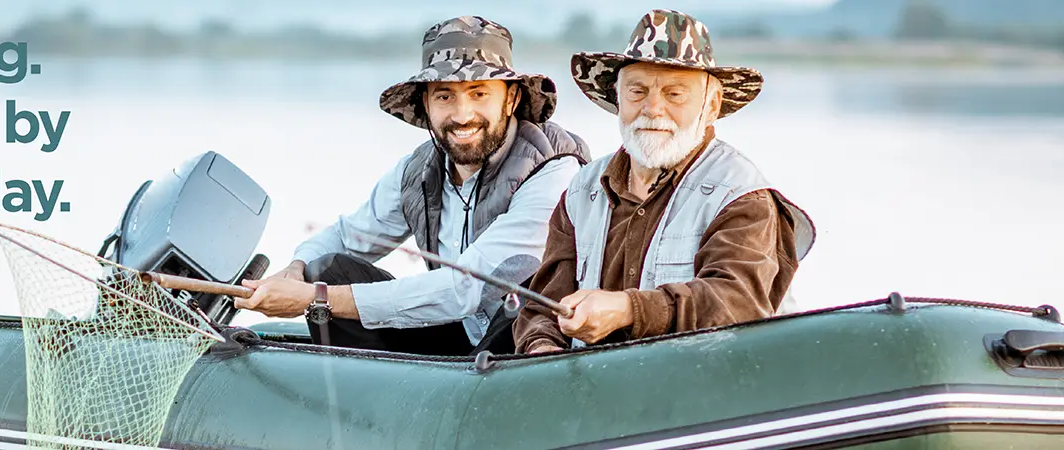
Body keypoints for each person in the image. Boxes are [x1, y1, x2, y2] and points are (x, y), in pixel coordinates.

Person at [236, 16, 589, 356]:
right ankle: (363, 401)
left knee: (517, 302)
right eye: (445, 96)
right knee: (326, 270)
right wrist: (296, 270)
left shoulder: (552, 170)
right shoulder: (420, 169)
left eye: (479, 93)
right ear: (426, 104)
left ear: (510, 99)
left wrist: (315, 299)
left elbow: (466, 289)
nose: (462, 115)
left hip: (518, 336)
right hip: (458, 331)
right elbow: (347, 237)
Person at [513, 10, 817, 354]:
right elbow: (541, 307)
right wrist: (541, 350)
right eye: (637, 91)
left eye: (675, 94)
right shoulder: (581, 191)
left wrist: (628, 309)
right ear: (618, 97)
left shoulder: (741, 194)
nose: (652, 109)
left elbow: (737, 304)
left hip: (709, 394)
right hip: (598, 394)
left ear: (711, 104)